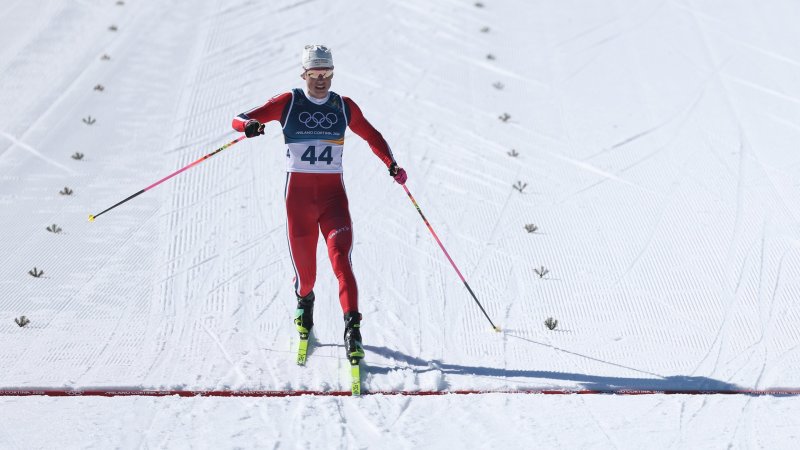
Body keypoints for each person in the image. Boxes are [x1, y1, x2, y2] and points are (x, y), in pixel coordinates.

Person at [231, 45, 407, 364]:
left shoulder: (343, 106)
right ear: (304, 74)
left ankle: (352, 330)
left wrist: (390, 163)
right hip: (298, 204)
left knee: (341, 260)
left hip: (332, 200)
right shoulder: (289, 103)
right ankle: (304, 305)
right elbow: (239, 118)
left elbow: (372, 135)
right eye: (315, 73)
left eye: (326, 73)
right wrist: (249, 127)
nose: (321, 79)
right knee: (306, 277)